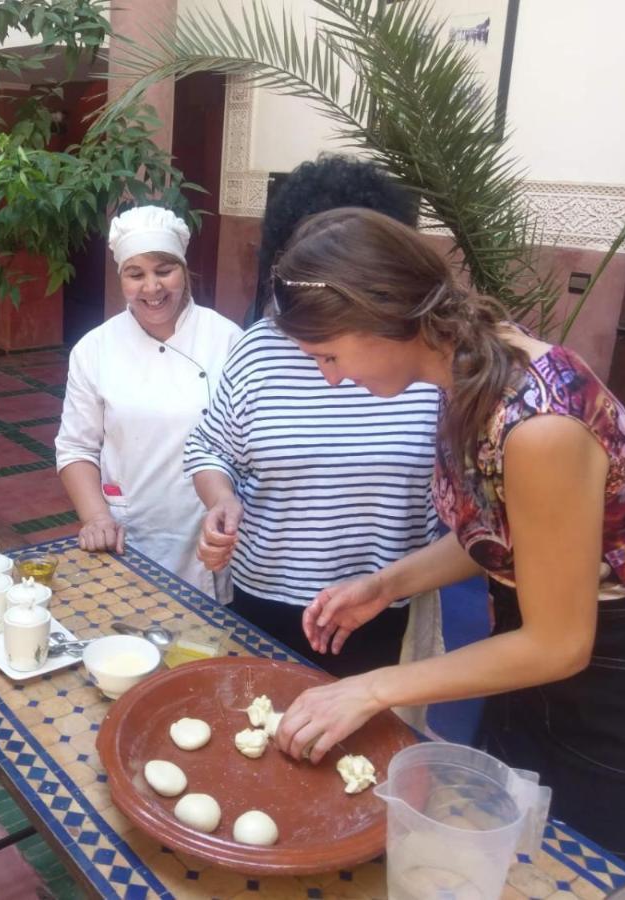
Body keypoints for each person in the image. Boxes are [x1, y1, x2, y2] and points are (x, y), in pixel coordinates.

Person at [267, 207, 625, 874]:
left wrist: (373, 688)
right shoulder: (465, 376)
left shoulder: (540, 425)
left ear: (386, 317)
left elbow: (562, 641)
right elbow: (508, 539)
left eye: (329, 356)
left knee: (598, 881)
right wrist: (385, 584)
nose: (331, 378)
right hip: (529, 667)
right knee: (513, 863)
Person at [185, 157, 440, 678]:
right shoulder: (260, 347)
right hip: (265, 595)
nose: (331, 376)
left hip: (383, 605)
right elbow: (209, 447)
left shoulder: (429, 368)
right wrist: (222, 498)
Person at [55, 206, 241, 597]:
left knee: (205, 647)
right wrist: (95, 518)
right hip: (129, 530)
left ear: (184, 269)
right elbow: (75, 447)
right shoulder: (95, 349)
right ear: (120, 278)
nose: (152, 288)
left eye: (164, 270)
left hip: (206, 533)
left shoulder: (227, 341)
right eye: (135, 274)